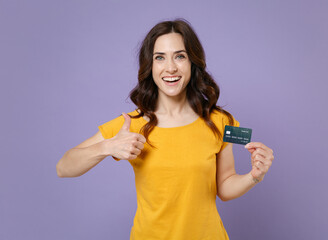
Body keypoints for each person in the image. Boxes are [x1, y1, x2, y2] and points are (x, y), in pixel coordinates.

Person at [56, 19, 274, 240]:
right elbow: (63, 167)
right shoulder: (131, 125)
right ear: (150, 66)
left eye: (180, 56)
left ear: (192, 63)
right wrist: (107, 147)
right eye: (160, 57)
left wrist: (253, 177)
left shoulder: (220, 121)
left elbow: (225, 188)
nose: (170, 67)